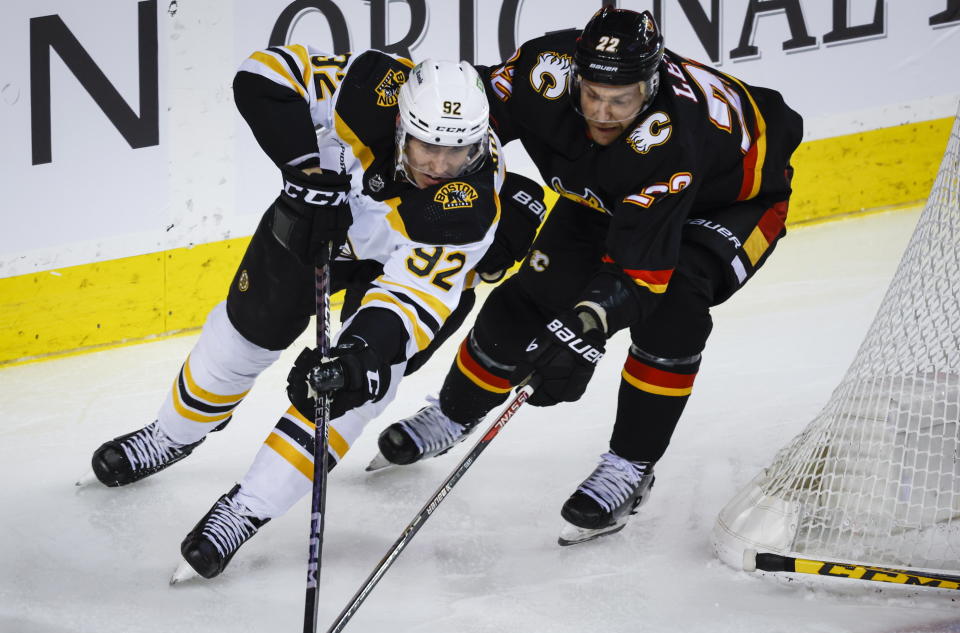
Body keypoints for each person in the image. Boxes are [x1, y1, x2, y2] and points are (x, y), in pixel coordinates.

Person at [90, 45, 545, 578]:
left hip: (396, 268)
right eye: (426, 148)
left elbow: (409, 301)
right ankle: (172, 434)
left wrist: (357, 358)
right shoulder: (371, 85)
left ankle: (245, 509)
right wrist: (304, 167)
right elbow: (264, 74)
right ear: (401, 123)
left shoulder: (468, 208)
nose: (442, 168)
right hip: (316, 217)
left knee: (354, 387)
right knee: (247, 331)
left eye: (459, 153)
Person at [374, 8, 804, 545]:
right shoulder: (543, 73)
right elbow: (468, 115)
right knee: (529, 295)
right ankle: (454, 414)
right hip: (608, 193)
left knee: (673, 310)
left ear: (650, 86)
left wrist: (582, 331)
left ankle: (630, 466)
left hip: (728, 204)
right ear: (573, 76)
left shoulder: (672, 141)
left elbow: (638, 274)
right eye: (592, 94)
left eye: (620, 100)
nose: (602, 112)